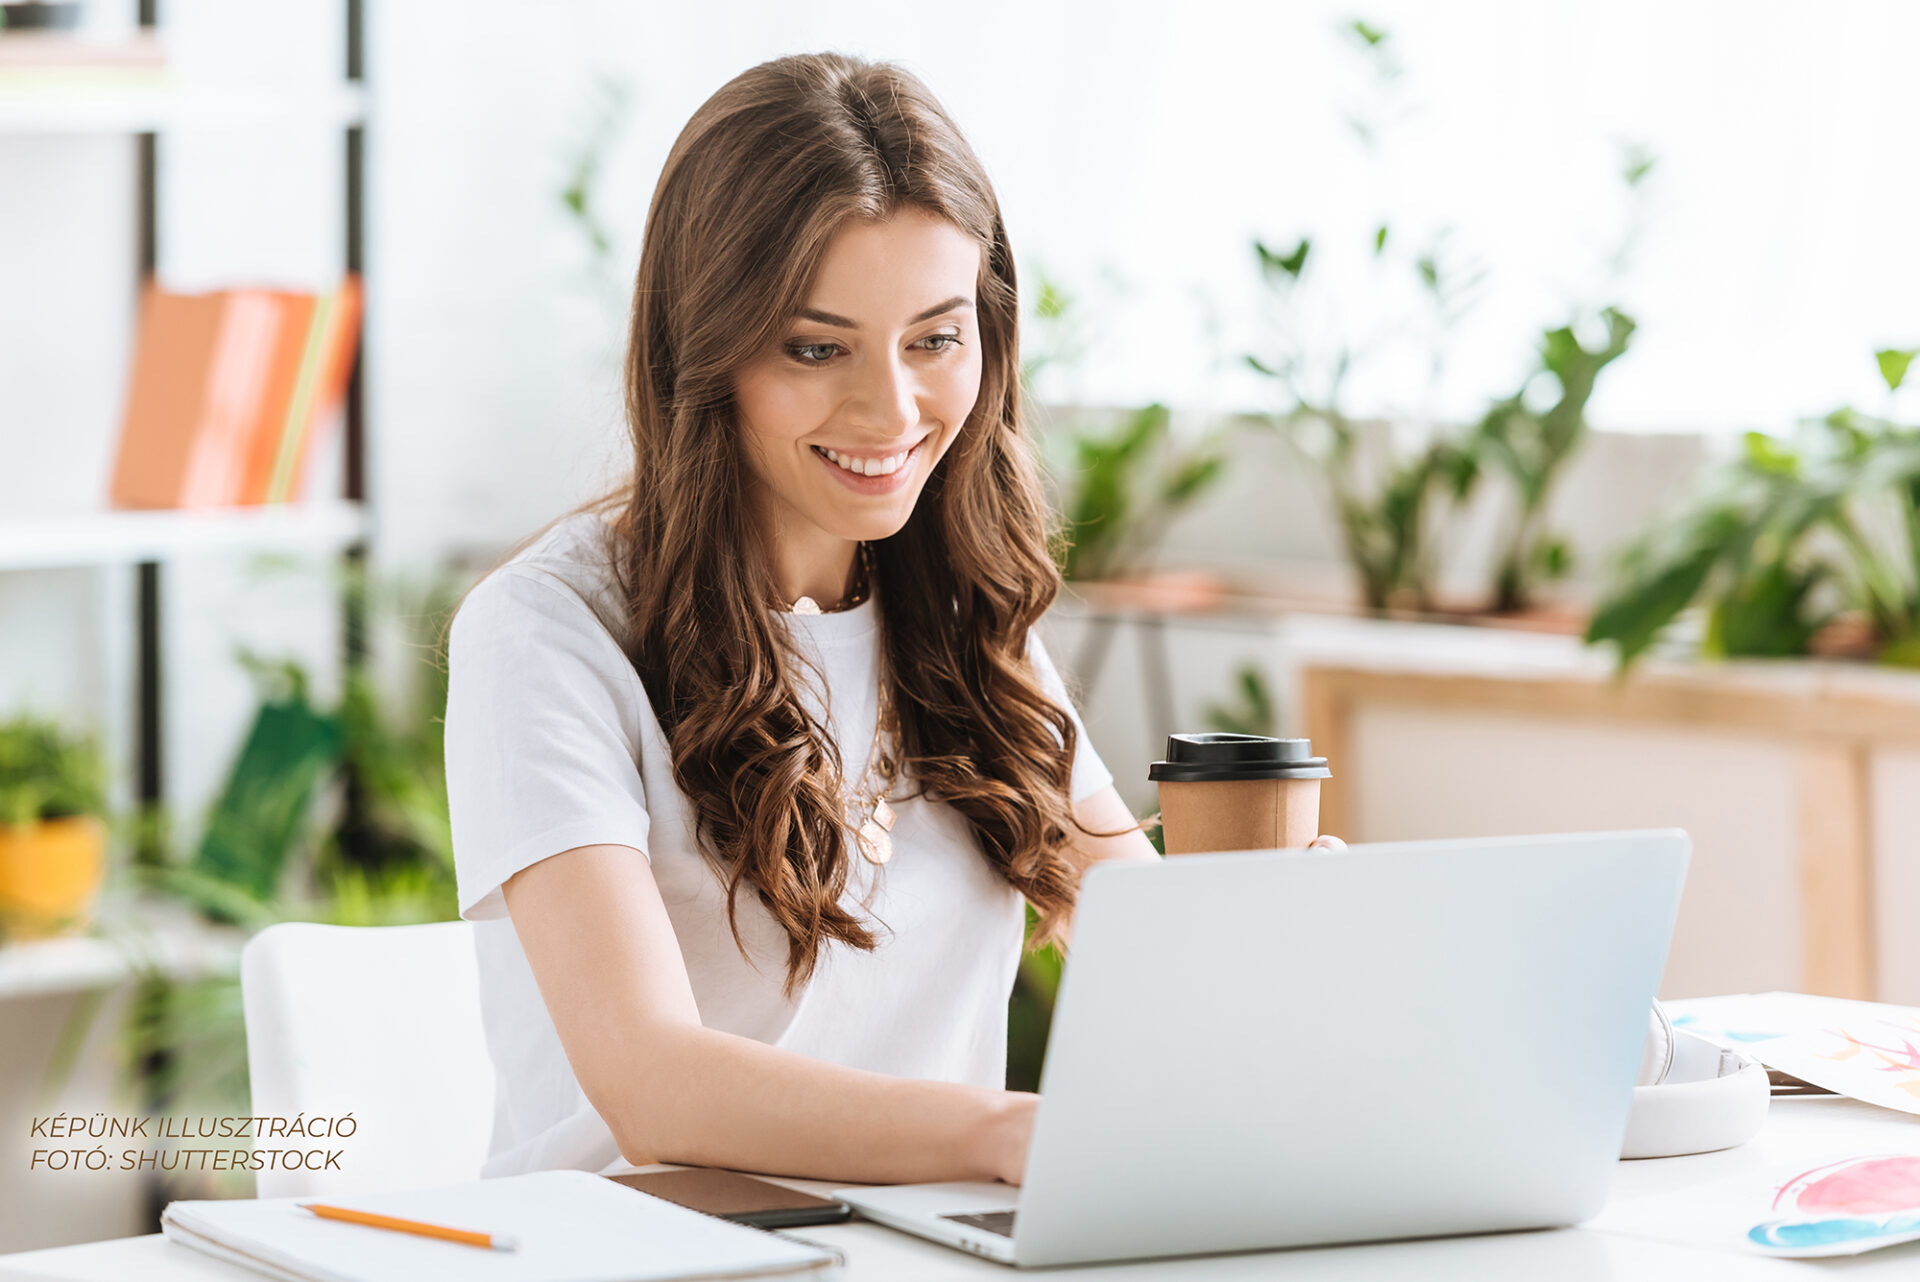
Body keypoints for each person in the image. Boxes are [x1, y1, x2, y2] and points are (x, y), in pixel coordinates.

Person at [444, 51, 1328, 1188]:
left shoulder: (957, 610)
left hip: (922, 1246)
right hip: (644, 1251)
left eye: (935, 338)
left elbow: (1145, 948)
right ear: (700, 351)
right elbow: (653, 1086)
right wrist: (1004, 1134)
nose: (893, 409)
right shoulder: (549, 633)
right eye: (817, 348)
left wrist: (1302, 945)